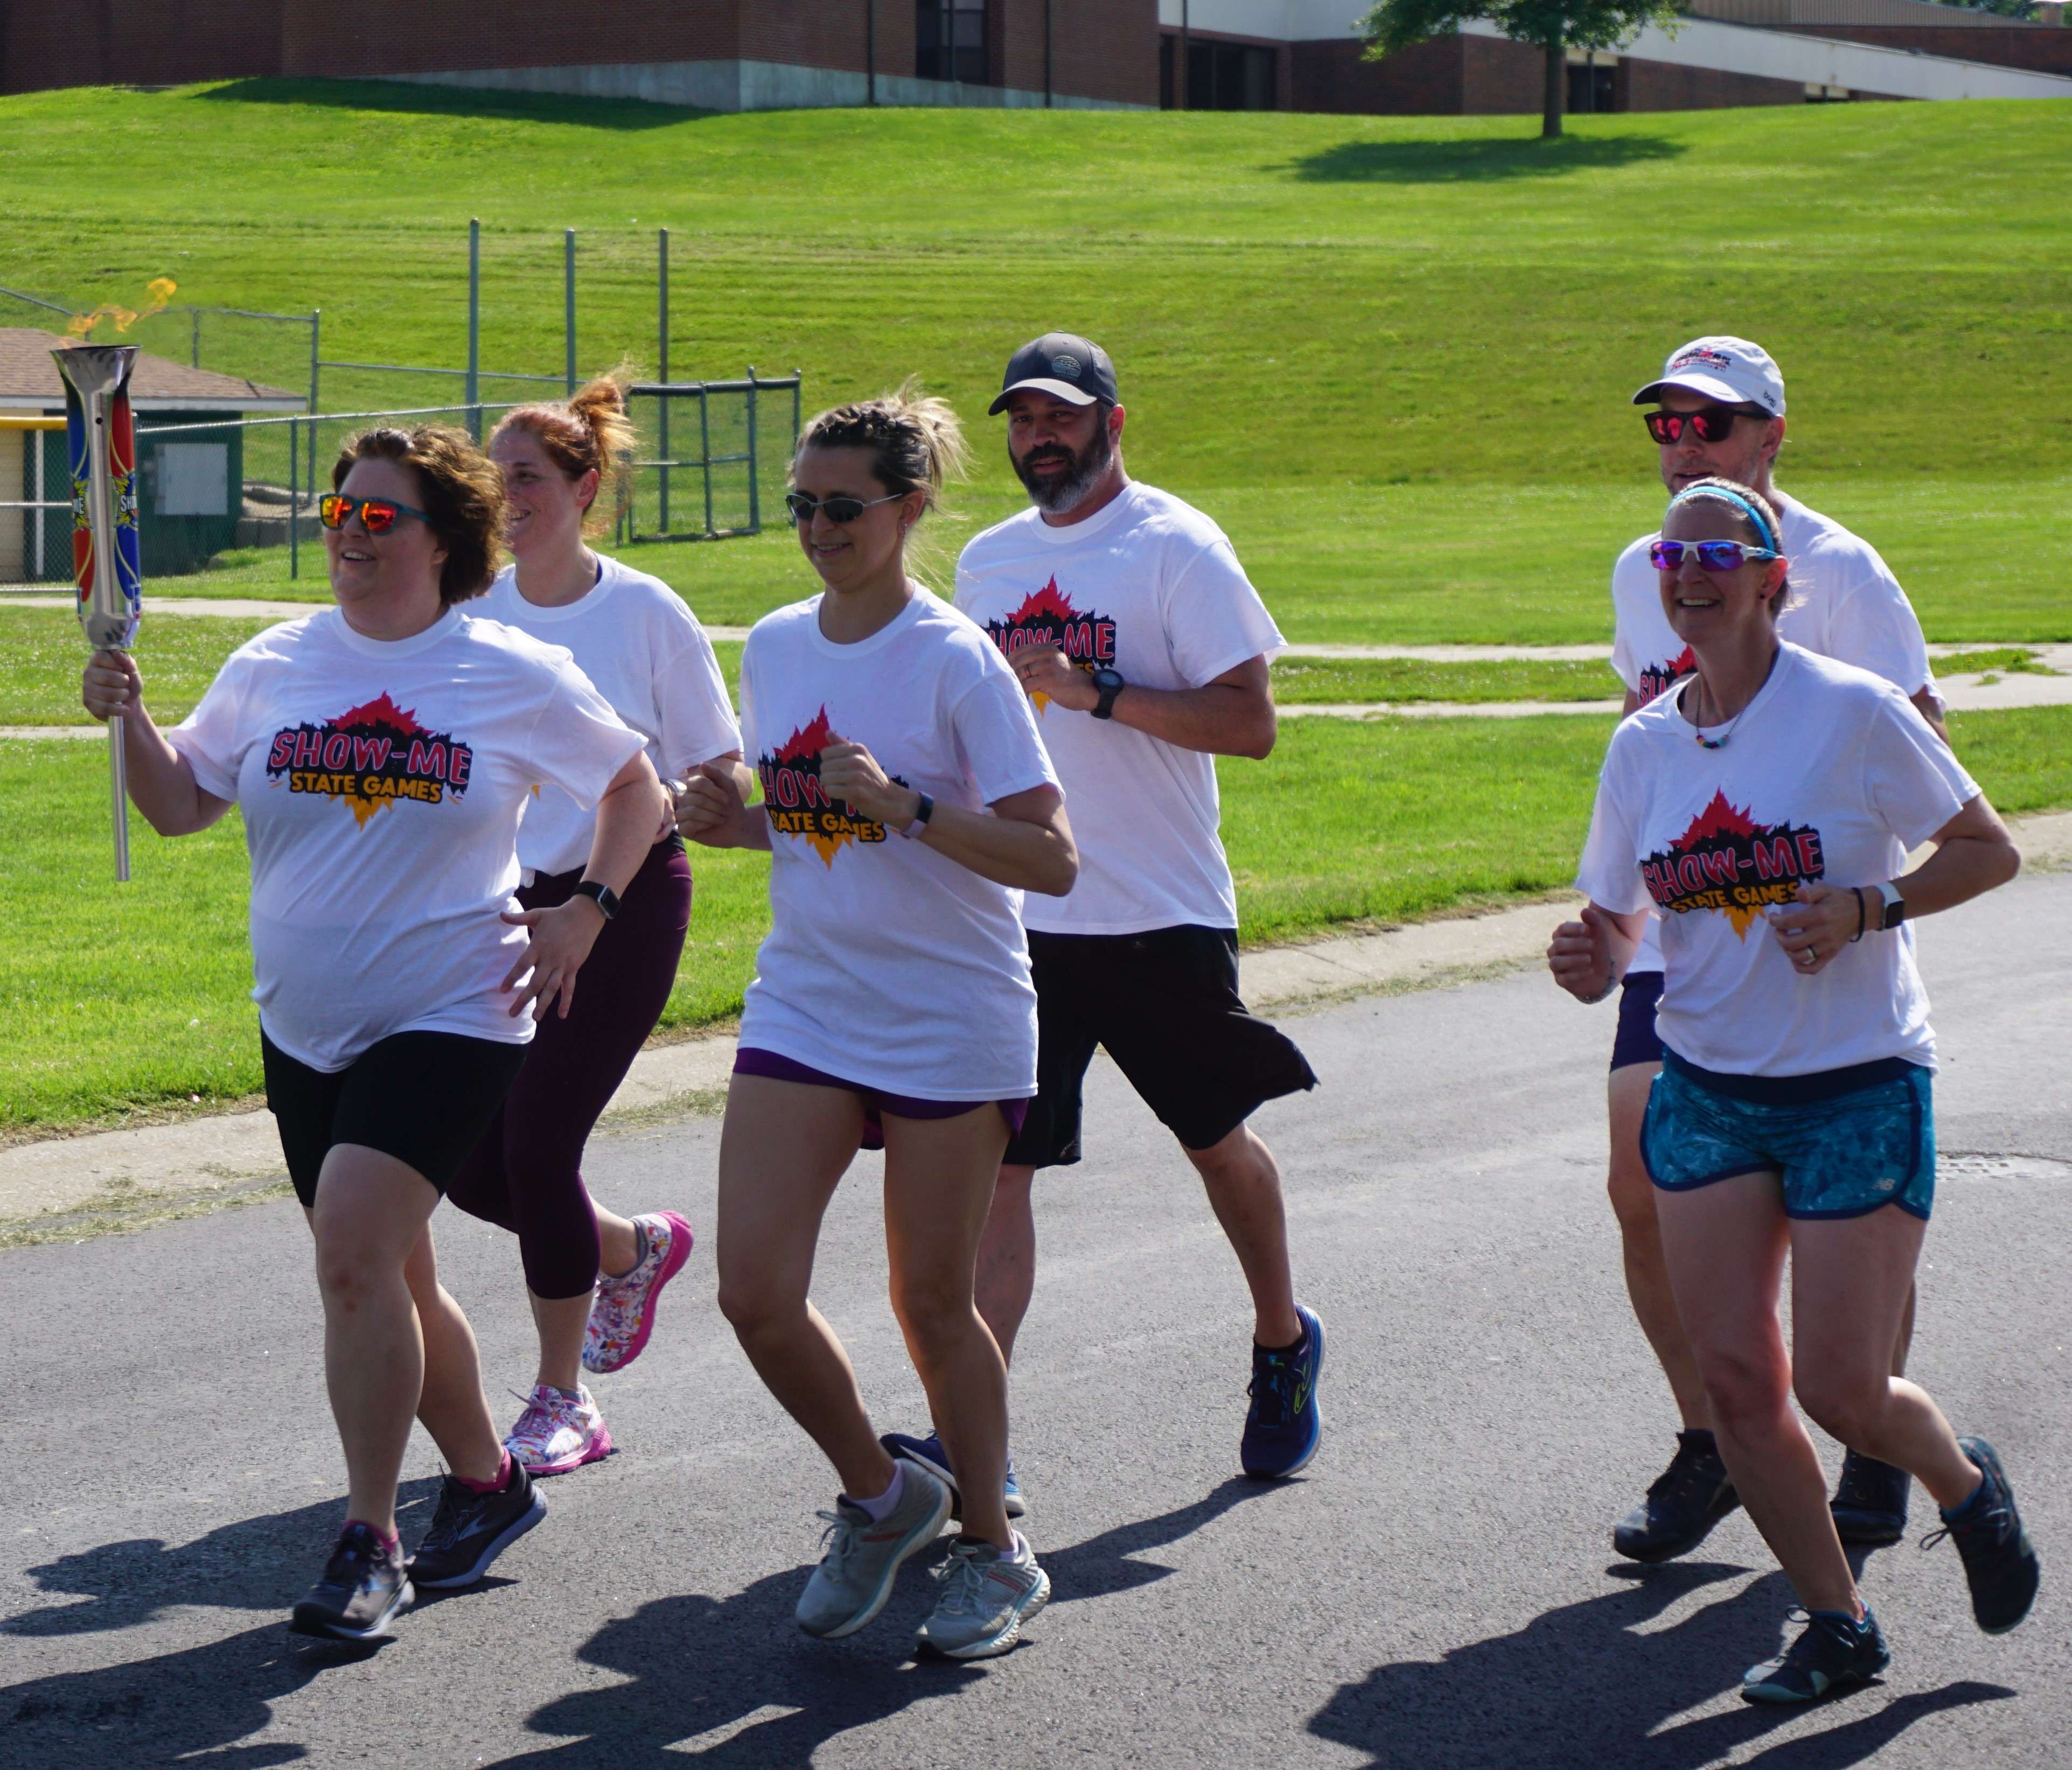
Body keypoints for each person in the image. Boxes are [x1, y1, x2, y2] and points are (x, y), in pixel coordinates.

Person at [81, 424, 665, 1645]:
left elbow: (634, 787)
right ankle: (488, 1486)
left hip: (452, 1007)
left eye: (377, 517)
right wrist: (129, 723)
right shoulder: (275, 660)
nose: (347, 535)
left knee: (350, 1255)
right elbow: (182, 804)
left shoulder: (503, 668)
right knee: (392, 1274)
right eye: (339, 514)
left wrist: (589, 913)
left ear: (443, 539)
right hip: (305, 1021)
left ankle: (369, 1542)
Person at [1553, 477, 2035, 1704]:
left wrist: (1871, 904)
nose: (1689, 568)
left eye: (1721, 551)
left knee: (1838, 1389)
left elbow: (1990, 848)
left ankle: (1964, 1479)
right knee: (1735, 1385)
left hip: (1856, 1085)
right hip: (1709, 1088)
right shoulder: (1644, 742)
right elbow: (1618, 916)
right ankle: (1838, 1623)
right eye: (1672, 555)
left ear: (1775, 581)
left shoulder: (1853, 713)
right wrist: (1591, 954)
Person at [675, 383, 1078, 1660]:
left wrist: (909, 809)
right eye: (799, 505)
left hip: (949, 1011)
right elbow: (791, 818)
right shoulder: (781, 642)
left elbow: (1052, 857)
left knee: (930, 1300)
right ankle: (882, 1492)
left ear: (905, 511)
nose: (815, 527)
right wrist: (724, 819)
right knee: (753, 1293)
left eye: (841, 507)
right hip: (809, 997)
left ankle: (996, 1555)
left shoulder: (953, 656)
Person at [894, 333, 1320, 1517]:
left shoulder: (1174, 547)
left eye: (1063, 417)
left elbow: (1251, 724)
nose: (1042, 437)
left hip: (1158, 909)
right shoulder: (984, 560)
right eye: (1024, 419)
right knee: (1004, 1174)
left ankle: (1282, 1338)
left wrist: (1097, 693)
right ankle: (967, 1433)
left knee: (1214, 1142)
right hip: (1020, 915)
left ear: (1112, 423)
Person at [1602, 336, 1951, 1564]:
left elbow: (1918, 753)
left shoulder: (1841, 572)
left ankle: (1870, 1438)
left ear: (1771, 436)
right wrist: (1616, 915)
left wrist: (1863, 910)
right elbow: (1648, 729)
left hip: (1816, 939)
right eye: (1666, 423)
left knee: (1838, 1198)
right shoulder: (1645, 565)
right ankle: (1714, 1439)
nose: (1685, 441)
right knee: (1638, 1182)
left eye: (1713, 421)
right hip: (1687, 919)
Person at [444, 376, 743, 1478]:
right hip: (504, 911)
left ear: (581, 485)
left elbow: (711, 768)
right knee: (470, 1163)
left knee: (537, 1143)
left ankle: (564, 1400)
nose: (504, 493)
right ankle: (630, 1247)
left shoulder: (645, 613)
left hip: (622, 903)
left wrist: (707, 810)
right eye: (493, 474)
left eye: (525, 474)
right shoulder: (470, 609)